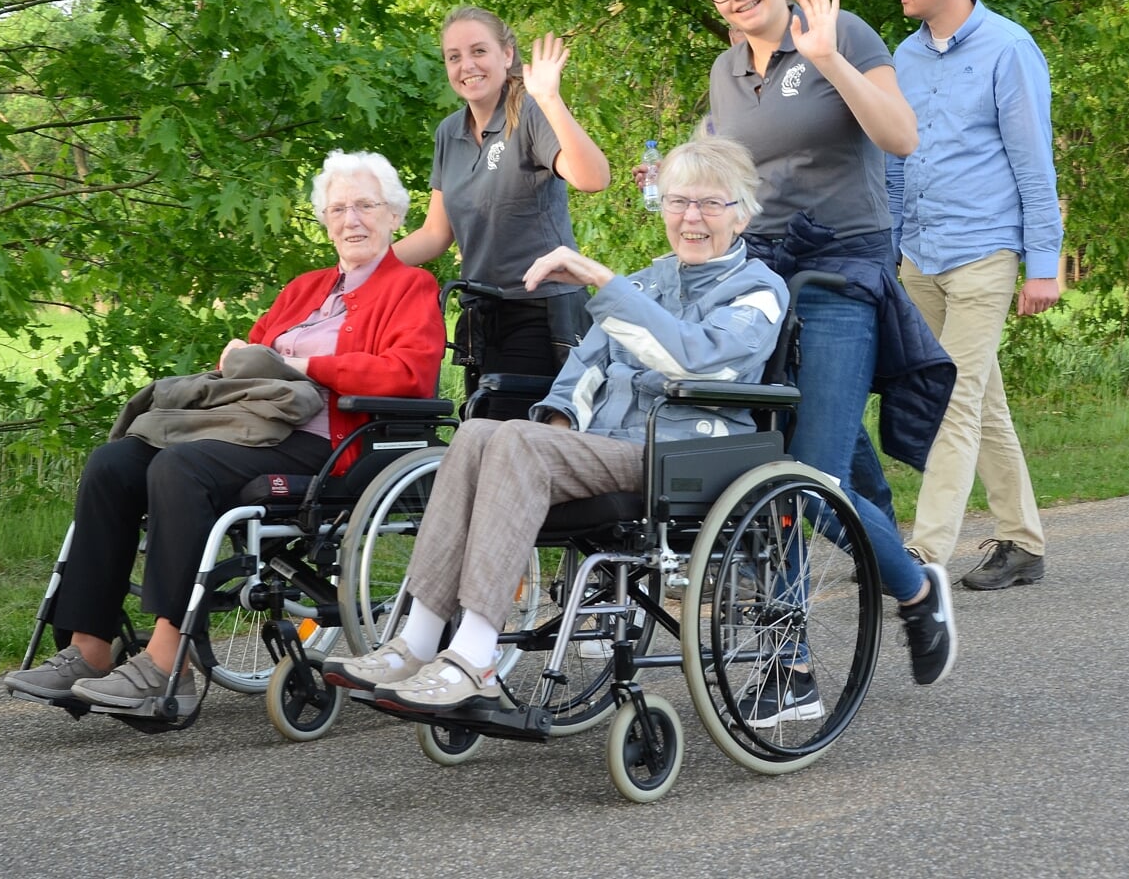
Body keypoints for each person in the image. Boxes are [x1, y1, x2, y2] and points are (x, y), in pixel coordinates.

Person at [319, 137, 788, 713]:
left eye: (710, 204)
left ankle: (475, 654)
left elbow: (699, 358)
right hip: (607, 449)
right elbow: (581, 372)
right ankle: (417, 638)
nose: (691, 218)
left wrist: (601, 280)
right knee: (479, 433)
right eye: (678, 201)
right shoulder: (646, 283)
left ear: (741, 212)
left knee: (513, 437)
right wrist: (560, 422)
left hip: (682, 453)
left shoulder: (759, 289)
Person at [3, 152, 446, 710]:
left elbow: (410, 374)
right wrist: (237, 357)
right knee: (113, 465)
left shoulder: (410, 287)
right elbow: (253, 352)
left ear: (393, 215)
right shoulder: (304, 288)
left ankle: (168, 661)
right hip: (248, 425)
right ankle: (89, 646)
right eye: (338, 208)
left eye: (365, 205)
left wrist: (309, 368)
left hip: (329, 442)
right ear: (324, 219)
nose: (351, 219)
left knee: (179, 468)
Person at [694, 0, 959, 689]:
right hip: (761, 279)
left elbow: (901, 136)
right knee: (820, 463)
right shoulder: (724, 70)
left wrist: (831, 61)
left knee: (802, 472)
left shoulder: (842, 31)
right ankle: (911, 580)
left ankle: (792, 657)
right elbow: (734, 173)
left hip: (843, 270)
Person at [887, 0, 1061, 589]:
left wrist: (1042, 265)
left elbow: (1033, 164)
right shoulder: (901, 56)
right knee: (977, 397)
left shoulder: (1009, 48)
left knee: (951, 401)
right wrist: (890, 249)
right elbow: (896, 164)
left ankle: (923, 555)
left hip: (985, 251)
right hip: (919, 255)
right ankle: (1023, 540)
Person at [392, 7, 612, 415]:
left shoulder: (529, 113)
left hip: (540, 309)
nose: (467, 65)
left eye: (479, 51)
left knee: (501, 433)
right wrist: (362, 266)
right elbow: (436, 235)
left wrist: (549, 98)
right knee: (477, 429)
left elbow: (593, 178)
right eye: (454, 57)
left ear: (507, 55)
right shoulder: (449, 133)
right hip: (480, 313)